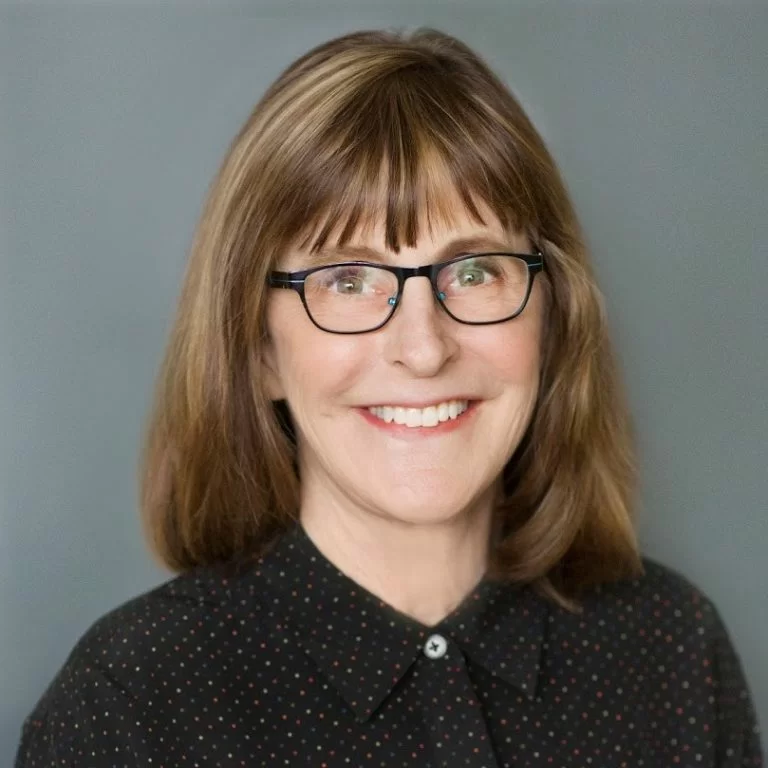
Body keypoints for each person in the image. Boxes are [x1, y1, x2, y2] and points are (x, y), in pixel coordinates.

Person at [15, 28, 762, 768]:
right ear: (258, 349)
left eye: (473, 272)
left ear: (552, 314)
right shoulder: (127, 708)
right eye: (347, 280)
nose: (424, 347)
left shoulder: (672, 652)